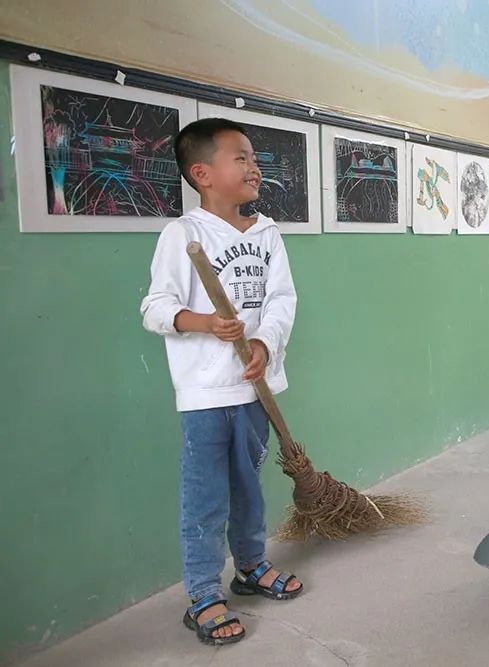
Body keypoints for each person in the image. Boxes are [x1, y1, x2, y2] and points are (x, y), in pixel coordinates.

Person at [140, 118, 302, 645]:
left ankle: (250, 566)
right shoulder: (183, 235)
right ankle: (204, 593)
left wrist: (263, 344)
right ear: (203, 173)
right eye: (242, 158)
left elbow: (281, 301)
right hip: (206, 394)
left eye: (255, 157)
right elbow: (155, 308)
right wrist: (204, 322)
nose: (255, 166)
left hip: (255, 387)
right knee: (206, 496)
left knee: (249, 487)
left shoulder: (267, 232)